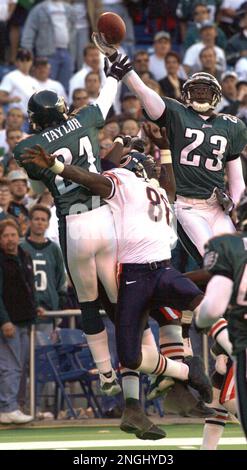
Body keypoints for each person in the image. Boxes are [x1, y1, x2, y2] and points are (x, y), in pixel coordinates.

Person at [19, 143, 214, 411]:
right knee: (157, 325)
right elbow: (107, 172)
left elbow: (155, 182)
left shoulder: (142, 188)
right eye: (146, 162)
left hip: (139, 271)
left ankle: (171, 378)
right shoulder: (139, 186)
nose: (151, 165)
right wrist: (135, 146)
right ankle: (175, 375)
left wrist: (138, 146)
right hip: (136, 270)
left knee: (158, 325)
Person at [14, 56, 132, 398]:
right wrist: (114, 74)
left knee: (88, 302)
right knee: (119, 299)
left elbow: (38, 189)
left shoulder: (27, 147)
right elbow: (105, 100)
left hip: (75, 225)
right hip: (105, 218)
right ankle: (132, 361)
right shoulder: (83, 119)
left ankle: (106, 374)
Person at [195, 189, 247, 440]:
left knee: (229, 398)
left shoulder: (231, 248)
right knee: (218, 392)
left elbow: (213, 309)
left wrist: (203, 320)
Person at [0, 218, 43, 424]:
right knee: (11, 366)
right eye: (5, 235)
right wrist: (4, 320)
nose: (10, 239)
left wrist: (35, 308)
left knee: (19, 366)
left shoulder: (24, 255)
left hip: (25, 320)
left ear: (19, 236)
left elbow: (29, 287)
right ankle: (7, 407)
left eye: (13, 235)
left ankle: (11, 406)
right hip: (9, 323)